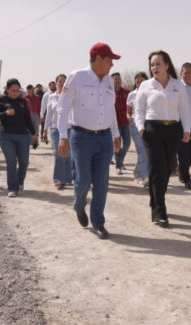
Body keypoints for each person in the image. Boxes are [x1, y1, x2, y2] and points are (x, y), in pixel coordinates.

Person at [57, 43, 122, 239]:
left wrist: (115, 134)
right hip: (81, 137)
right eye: (110, 60)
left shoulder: (109, 81)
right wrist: (62, 136)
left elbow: (110, 110)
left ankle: (98, 222)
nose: (112, 64)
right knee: (83, 180)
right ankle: (79, 205)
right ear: (99, 59)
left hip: (104, 138)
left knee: (102, 183)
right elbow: (63, 108)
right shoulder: (77, 77)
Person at [135, 50, 191, 228]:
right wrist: (141, 128)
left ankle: (154, 200)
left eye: (158, 64)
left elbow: (184, 108)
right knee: (157, 167)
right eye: (152, 64)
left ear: (167, 65)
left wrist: (187, 129)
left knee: (167, 168)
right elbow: (139, 110)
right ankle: (160, 210)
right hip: (152, 130)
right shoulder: (146, 85)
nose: (154, 68)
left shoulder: (178, 85)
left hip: (173, 130)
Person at [0, 79, 38, 197]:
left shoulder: (22, 101)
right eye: (13, 90)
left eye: (18, 90)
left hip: (23, 136)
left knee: (24, 162)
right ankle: (12, 188)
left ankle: (20, 181)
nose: (15, 93)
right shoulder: (1, 100)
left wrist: (33, 134)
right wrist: (5, 113)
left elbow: (28, 119)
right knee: (11, 162)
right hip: (6, 136)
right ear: (7, 89)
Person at [43, 73, 74, 189]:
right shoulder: (51, 97)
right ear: (56, 83)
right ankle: (58, 179)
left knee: (68, 154)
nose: (62, 84)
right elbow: (49, 115)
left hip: (69, 129)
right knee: (58, 153)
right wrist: (45, 130)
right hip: (55, 129)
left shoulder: (70, 96)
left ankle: (68, 178)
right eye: (60, 81)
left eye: (64, 81)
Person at [126, 71, 150, 186]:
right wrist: (129, 118)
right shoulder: (132, 95)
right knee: (142, 150)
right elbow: (128, 112)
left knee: (148, 151)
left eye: (142, 81)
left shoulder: (152, 93)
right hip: (135, 125)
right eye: (137, 82)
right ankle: (144, 176)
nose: (139, 83)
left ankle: (137, 173)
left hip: (149, 125)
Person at [111, 72, 131, 175]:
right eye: (116, 79)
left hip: (125, 123)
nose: (118, 81)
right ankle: (118, 165)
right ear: (111, 80)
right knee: (117, 145)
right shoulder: (109, 93)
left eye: (119, 79)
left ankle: (120, 160)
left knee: (127, 144)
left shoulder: (127, 92)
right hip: (115, 125)